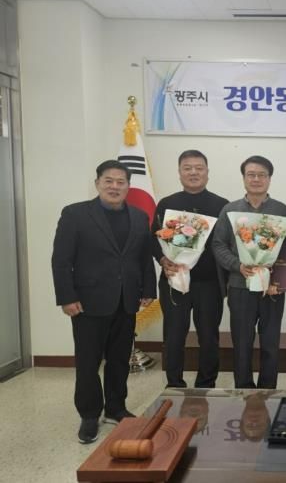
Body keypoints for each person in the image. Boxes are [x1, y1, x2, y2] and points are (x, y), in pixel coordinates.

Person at [51, 160, 156, 444]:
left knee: (120, 359)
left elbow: (144, 258)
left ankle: (116, 408)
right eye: (108, 181)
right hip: (88, 302)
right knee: (88, 362)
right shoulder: (75, 214)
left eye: (121, 182)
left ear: (128, 186)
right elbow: (61, 260)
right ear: (97, 183)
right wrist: (67, 297)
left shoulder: (139, 217)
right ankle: (89, 414)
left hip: (126, 300)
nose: (114, 186)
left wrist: (148, 289)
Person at [212, 155, 286, 389]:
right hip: (240, 286)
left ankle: (268, 391)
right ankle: (243, 390)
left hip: (272, 289)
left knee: (270, 343)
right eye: (251, 174)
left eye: (262, 175)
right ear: (244, 178)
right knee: (242, 344)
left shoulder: (281, 210)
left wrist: (278, 281)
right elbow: (218, 244)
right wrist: (237, 265)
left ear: (269, 178)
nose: (256, 179)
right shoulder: (230, 210)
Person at [152, 150, 229, 389]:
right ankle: (174, 384)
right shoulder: (166, 204)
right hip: (174, 279)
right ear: (179, 173)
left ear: (207, 172)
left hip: (210, 283)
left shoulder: (222, 205)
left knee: (209, 336)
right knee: (173, 336)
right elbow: (153, 239)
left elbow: (227, 244)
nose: (193, 172)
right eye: (187, 168)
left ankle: (206, 384)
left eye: (199, 168)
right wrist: (163, 260)